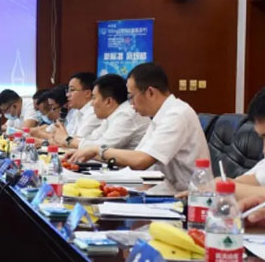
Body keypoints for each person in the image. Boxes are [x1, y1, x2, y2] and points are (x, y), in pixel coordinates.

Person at [69, 63, 209, 193]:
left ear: (150, 92)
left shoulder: (177, 114)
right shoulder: (160, 115)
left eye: (131, 96)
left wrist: (97, 150)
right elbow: (136, 156)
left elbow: (141, 161)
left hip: (190, 198)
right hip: (161, 187)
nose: (130, 103)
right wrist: (89, 152)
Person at [64, 74, 149, 151]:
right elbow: (93, 139)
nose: (92, 104)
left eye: (94, 98)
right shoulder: (111, 115)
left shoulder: (126, 114)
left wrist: (67, 140)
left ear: (108, 101)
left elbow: (102, 147)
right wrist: (68, 140)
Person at [52, 72, 102, 147]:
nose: (67, 95)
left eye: (72, 90)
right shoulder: (77, 111)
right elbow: (69, 138)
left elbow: (74, 142)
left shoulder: (94, 111)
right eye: (68, 91)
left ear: (88, 93)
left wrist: (63, 137)